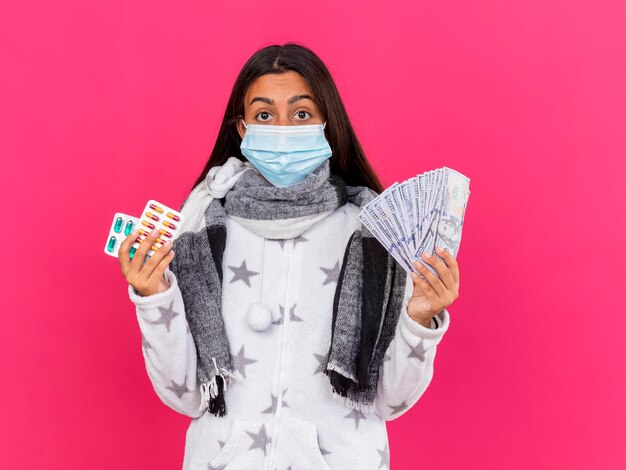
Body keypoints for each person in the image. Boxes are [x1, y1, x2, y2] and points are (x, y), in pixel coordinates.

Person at [118, 43, 460, 470]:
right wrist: (154, 299)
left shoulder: (372, 232)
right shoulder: (200, 228)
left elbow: (391, 401)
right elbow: (185, 395)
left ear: (325, 123)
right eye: (264, 115)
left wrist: (420, 319)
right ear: (242, 129)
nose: (282, 128)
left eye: (301, 114)